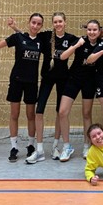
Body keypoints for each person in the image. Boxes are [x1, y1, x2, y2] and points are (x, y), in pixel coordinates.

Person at [0, 13, 47, 163]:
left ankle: (31, 145)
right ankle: (14, 147)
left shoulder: (41, 40)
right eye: (33, 22)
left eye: (38, 24)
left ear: (41, 26)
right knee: (14, 114)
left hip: (32, 82)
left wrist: (15, 27)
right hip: (16, 81)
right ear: (29, 22)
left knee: (31, 115)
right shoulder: (18, 37)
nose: (35, 26)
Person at [23, 12, 77, 164]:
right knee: (39, 111)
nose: (58, 24)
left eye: (60, 21)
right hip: (47, 78)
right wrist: (15, 28)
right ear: (53, 24)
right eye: (55, 22)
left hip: (63, 79)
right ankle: (39, 149)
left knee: (60, 113)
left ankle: (55, 146)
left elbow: (88, 40)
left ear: (65, 22)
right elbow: (29, 36)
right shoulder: (46, 36)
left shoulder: (70, 38)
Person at [57, 19, 103, 160]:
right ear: (86, 30)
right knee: (62, 112)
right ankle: (66, 146)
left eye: (94, 30)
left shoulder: (102, 44)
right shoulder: (80, 41)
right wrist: (76, 45)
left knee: (86, 114)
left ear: (99, 31)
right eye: (89, 29)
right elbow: (62, 56)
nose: (91, 32)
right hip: (74, 79)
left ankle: (87, 146)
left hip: (90, 82)